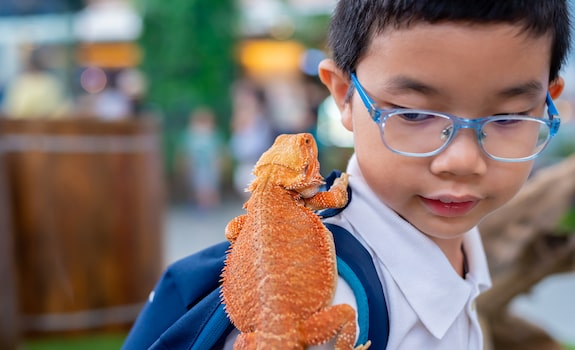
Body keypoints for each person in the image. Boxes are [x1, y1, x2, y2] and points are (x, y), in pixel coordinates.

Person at [122, 1, 571, 349]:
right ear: (344, 96)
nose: (461, 160)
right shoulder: (344, 302)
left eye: (510, 117)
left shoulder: (462, 249)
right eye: (414, 113)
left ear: (551, 103)